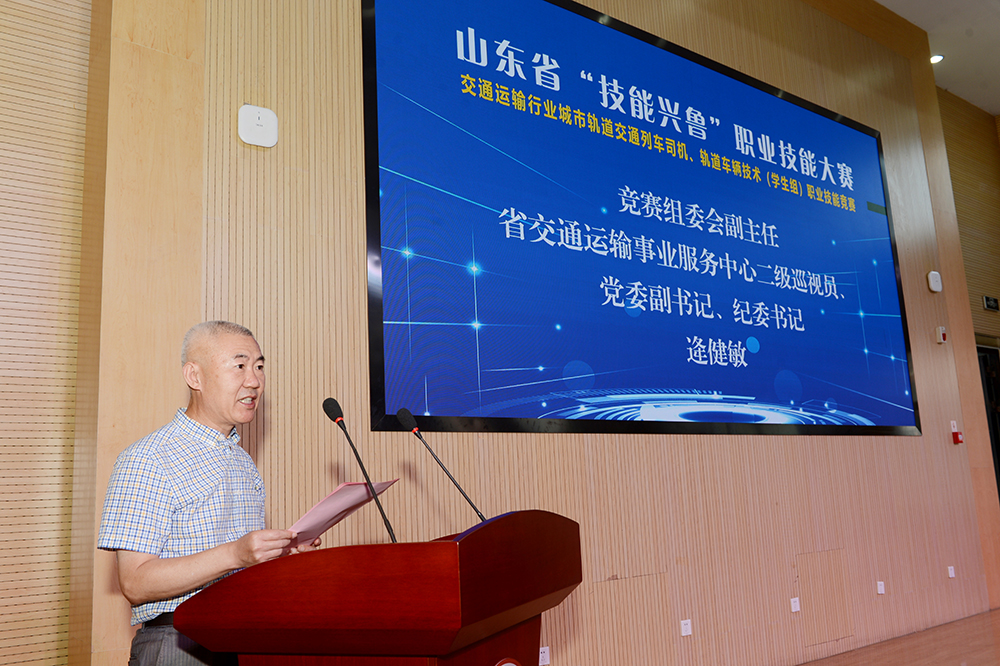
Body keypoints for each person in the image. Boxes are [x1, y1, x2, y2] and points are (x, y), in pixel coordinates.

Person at [98, 321, 318, 665]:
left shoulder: (242, 461)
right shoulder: (148, 458)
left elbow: (236, 563)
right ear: (195, 376)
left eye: (259, 366)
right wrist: (236, 554)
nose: (254, 381)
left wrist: (278, 555)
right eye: (239, 366)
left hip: (240, 636)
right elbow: (135, 582)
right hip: (177, 643)